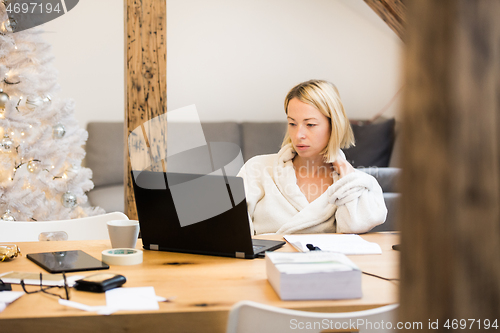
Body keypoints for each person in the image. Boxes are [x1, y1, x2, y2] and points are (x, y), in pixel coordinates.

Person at [237, 80, 387, 235]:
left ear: (333, 125)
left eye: (310, 125)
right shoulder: (257, 169)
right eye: (292, 124)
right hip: (265, 259)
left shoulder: (358, 184)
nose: (298, 135)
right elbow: (233, 232)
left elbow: (354, 227)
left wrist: (346, 174)